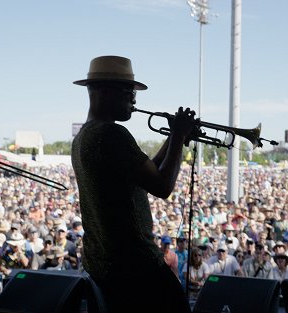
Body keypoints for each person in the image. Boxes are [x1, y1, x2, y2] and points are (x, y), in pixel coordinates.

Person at [71, 55, 196, 312]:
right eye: (129, 91)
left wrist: (175, 138)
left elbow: (146, 170)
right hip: (136, 267)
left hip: (107, 266)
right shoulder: (111, 133)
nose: (134, 99)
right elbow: (162, 186)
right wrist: (179, 135)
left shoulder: (85, 135)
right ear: (105, 91)